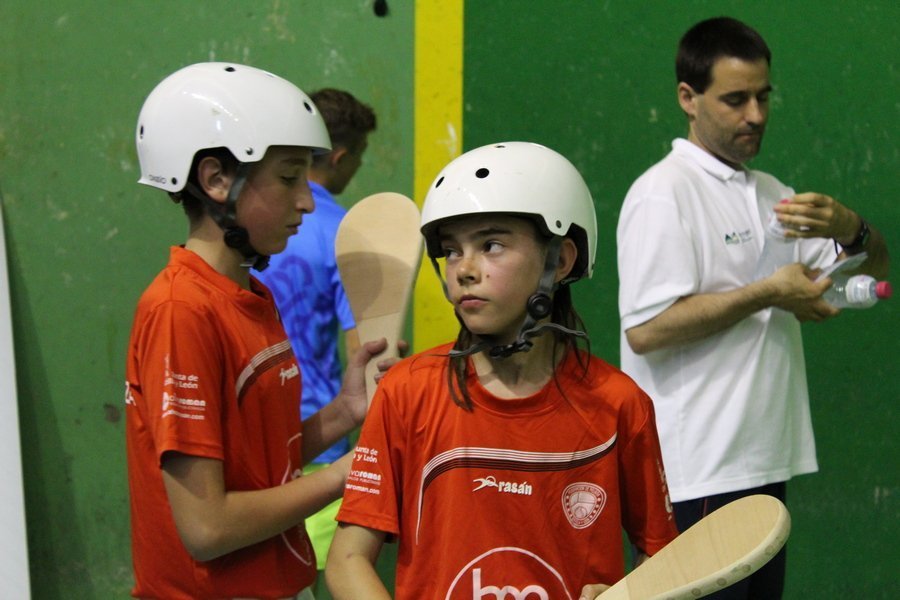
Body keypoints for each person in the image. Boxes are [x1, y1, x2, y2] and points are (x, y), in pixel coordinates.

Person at [325, 142, 678, 600]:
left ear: (562, 259)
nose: (464, 270)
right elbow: (347, 561)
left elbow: (663, 559)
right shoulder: (405, 391)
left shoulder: (620, 404)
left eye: (491, 245)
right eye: (452, 251)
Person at [616, 17, 890, 599]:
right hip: (696, 472)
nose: (756, 115)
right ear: (687, 99)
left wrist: (853, 228)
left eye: (764, 97)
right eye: (736, 100)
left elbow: (871, 269)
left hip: (764, 463)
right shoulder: (663, 193)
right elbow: (645, 330)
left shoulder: (773, 193)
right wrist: (769, 293)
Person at [125, 62, 394, 599]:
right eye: (290, 177)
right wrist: (351, 469)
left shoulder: (251, 293)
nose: (308, 200)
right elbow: (208, 527)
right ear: (217, 180)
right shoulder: (182, 310)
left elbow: (260, 466)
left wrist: (344, 411)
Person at [253, 88, 377, 575]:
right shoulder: (343, 231)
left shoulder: (250, 227)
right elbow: (361, 350)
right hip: (321, 448)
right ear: (341, 157)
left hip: (253, 450)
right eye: (359, 159)